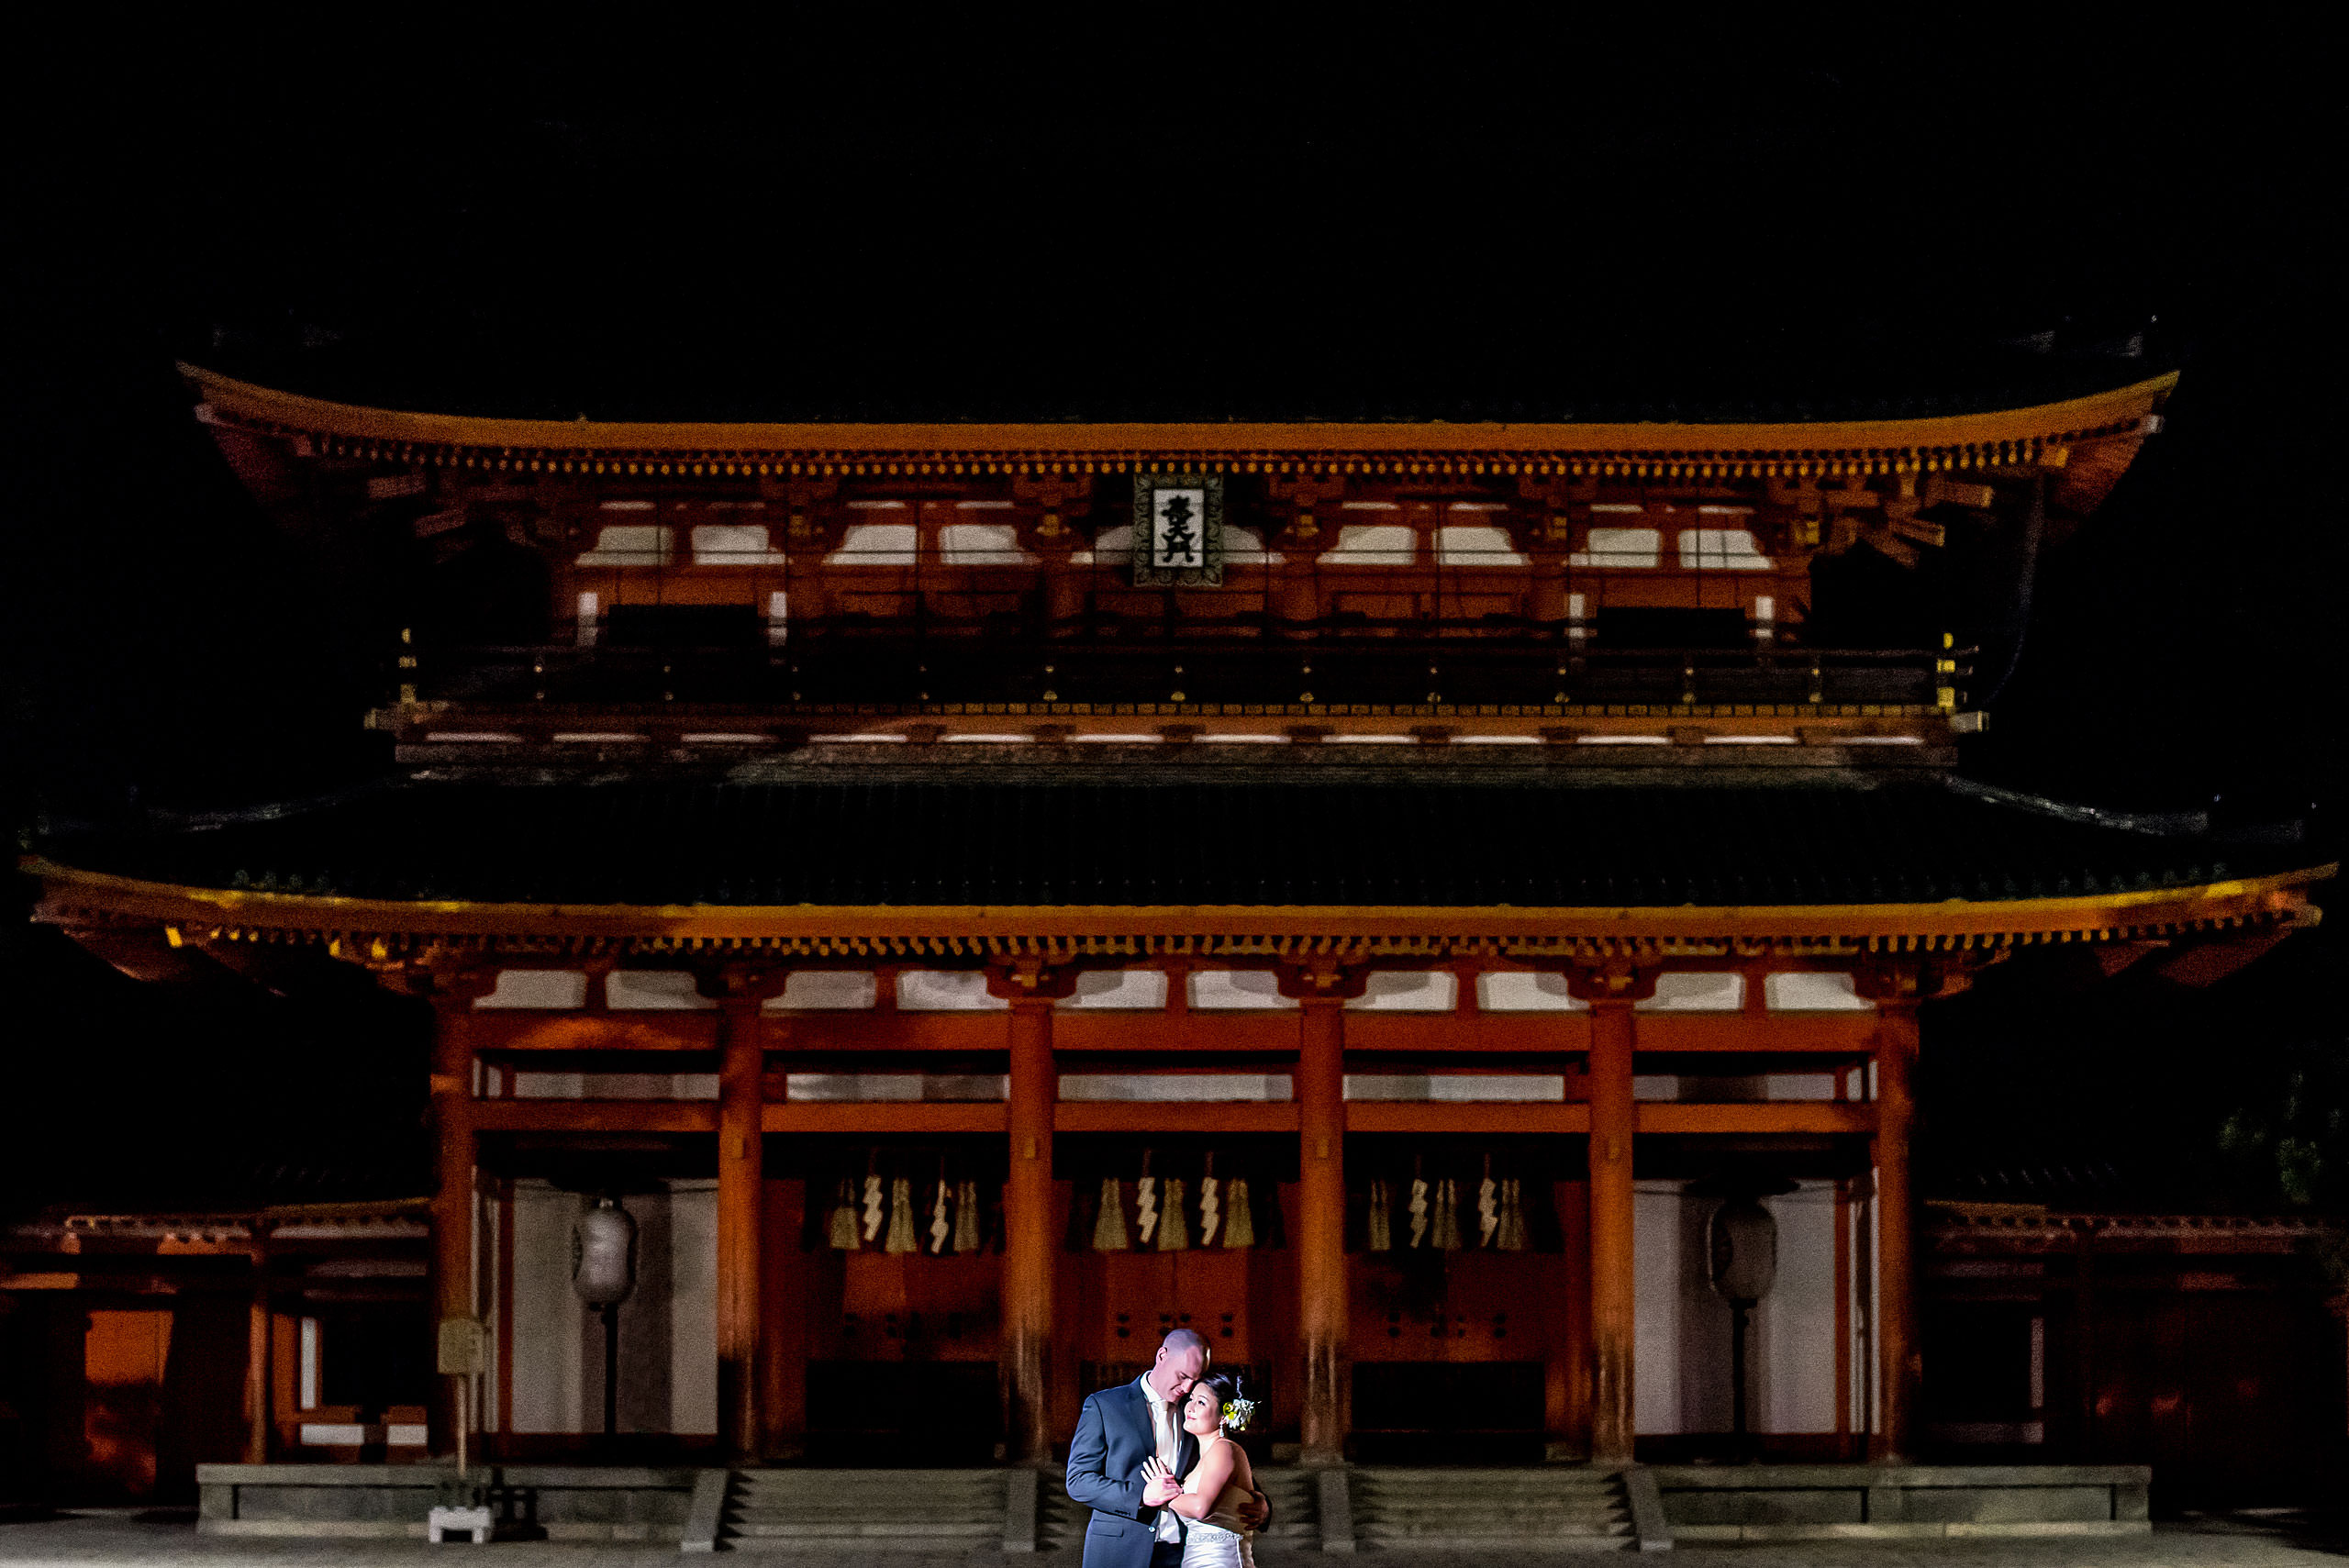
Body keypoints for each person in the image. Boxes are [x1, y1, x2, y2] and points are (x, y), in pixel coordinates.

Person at [1065, 1329, 1270, 1568]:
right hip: (1119, 1551)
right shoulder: (1105, 1405)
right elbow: (1078, 1480)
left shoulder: (1196, 1412)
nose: (1187, 1387)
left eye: (1196, 1378)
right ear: (1161, 1356)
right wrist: (1141, 1496)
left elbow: (1226, 1465)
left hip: (1182, 1553)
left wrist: (1261, 1503)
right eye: (1182, 1376)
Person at [1141, 1373, 1259, 1567]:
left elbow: (1200, 1508)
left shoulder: (1224, 1449)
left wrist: (1164, 1493)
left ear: (1223, 1417)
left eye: (1201, 1402)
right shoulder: (1205, 1456)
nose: (1190, 1407)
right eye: (1191, 1399)